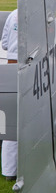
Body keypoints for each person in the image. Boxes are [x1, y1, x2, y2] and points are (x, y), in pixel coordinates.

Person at [1, 9, 18, 181]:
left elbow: (5, 43)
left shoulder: (13, 15)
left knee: (11, 125)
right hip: (29, 68)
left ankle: (9, 171)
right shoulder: (43, 14)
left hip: (10, 68)